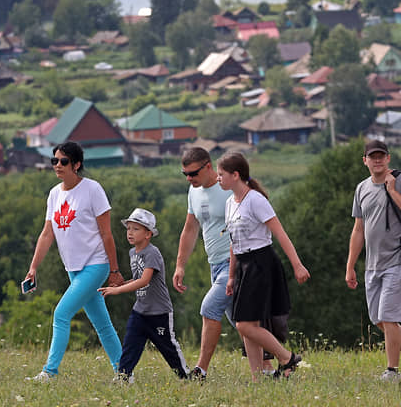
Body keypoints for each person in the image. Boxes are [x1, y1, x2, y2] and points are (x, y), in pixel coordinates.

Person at [173, 147, 280, 379]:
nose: (189, 179)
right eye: (185, 175)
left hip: (237, 264)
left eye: (193, 174)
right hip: (216, 266)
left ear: (208, 166)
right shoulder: (193, 193)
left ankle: (200, 370)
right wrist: (180, 265)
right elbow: (190, 229)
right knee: (242, 322)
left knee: (209, 308)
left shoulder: (229, 190)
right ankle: (270, 368)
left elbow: (259, 219)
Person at [25, 141, 124, 382]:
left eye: (64, 161)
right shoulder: (54, 194)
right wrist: (33, 267)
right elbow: (47, 233)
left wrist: (114, 270)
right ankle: (124, 372)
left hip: (96, 265)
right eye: (54, 161)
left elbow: (106, 234)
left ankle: (50, 372)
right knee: (102, 323)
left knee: (61, 314)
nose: (58, 165)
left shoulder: (93, 190)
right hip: (73, 268)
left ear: (77, 164)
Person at [218, 152, 310, 381]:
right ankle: (257, 378)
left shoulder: (256, 200)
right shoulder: (230, 202)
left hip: (261, 264)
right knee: (247, 322)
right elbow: (233, 242)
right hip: (243, 266)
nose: (218, 179)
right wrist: (231, 276)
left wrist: (297, 265)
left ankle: (286, 357)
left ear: (235, 175)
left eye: (221, 175)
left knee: (244, 325)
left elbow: (280, 234)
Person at [345, 139, 401, 383]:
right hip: (373, 263)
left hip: (400, 261)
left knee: (389, 317)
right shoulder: (361, 188)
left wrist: (392, 191)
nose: (378, 160)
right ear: (365, 161)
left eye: (382, 155)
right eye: (373, 156)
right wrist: (351, 265)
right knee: (379, 319)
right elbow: (358, 229)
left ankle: (391, 372)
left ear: (388, 158)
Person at [100, 208, 190, 381]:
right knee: (130, 345)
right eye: (128, 228)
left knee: (168, 347)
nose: (130, 233)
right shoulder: (133, 253)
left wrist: (117, 291)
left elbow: (144, 281)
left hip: (159, 313)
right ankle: (123, 377)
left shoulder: (152, 253)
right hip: (140, 311)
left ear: (148, 234)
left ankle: (185, 375)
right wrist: (121, 284)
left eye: (136, 229)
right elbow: (136, 279)